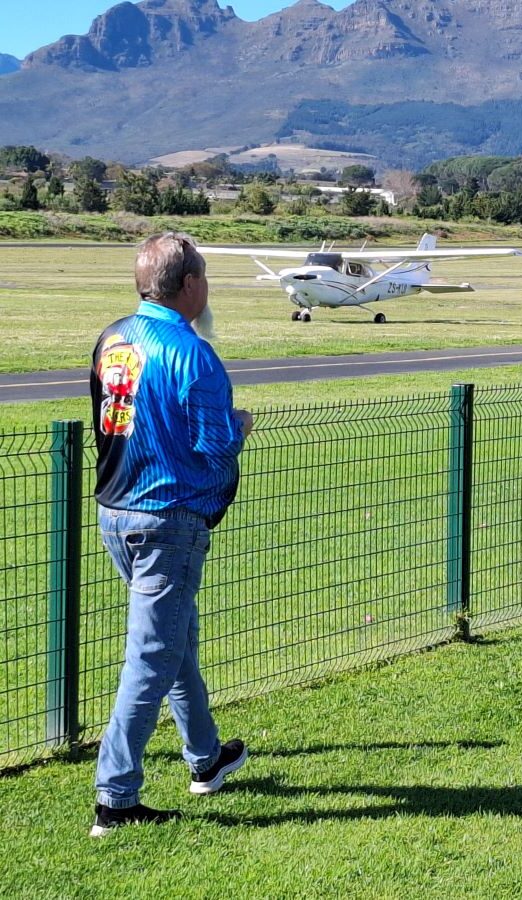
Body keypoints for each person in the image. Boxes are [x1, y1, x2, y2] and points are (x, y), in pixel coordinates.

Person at [88, 232, 254, 837]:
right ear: (189, 284)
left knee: (174, 637)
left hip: (115, 510)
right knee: (152, 658)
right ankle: (115, 797)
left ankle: (206, 758)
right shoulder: (194, 354)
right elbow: (213, 448)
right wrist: (239, 427)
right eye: (205, 276)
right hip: (169, 519)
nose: (208, 286)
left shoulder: (113, 339)